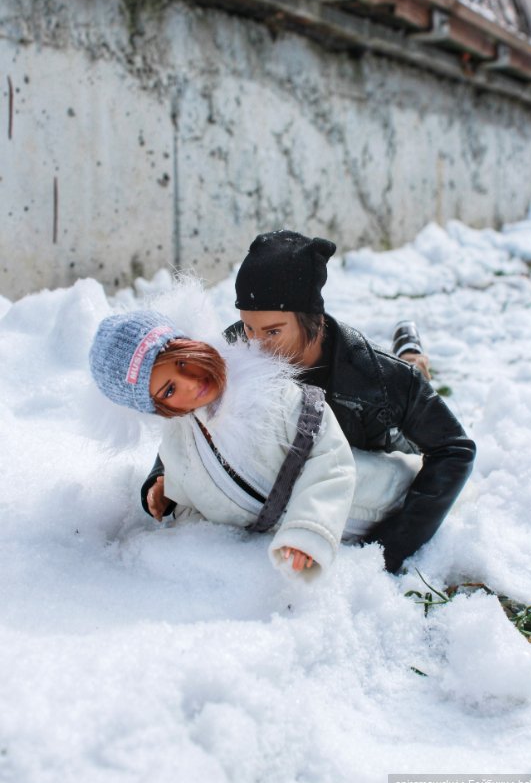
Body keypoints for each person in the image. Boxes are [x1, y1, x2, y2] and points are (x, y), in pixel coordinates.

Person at [142, 231, 476, 574]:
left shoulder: (378, 378)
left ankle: (411, 354)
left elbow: (455, 450)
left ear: (312, 319)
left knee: (413, 373)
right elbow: (193, 412)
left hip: (385, 452)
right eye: (248, 328)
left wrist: (392, 546)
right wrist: (161, 475)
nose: (255, 346)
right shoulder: (236, 347)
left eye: (272, 332)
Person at [89, 308, 420, 577]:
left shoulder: (267, 392)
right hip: (338, 537)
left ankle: (411, 359)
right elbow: (201, 502)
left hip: (388, 492)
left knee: (407, 423)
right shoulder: (180, 447)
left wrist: (307, 533)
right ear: (157, 408)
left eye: (183, 361)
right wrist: (171, 500)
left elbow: (329, 459)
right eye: (169, 390)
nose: (191, 382)